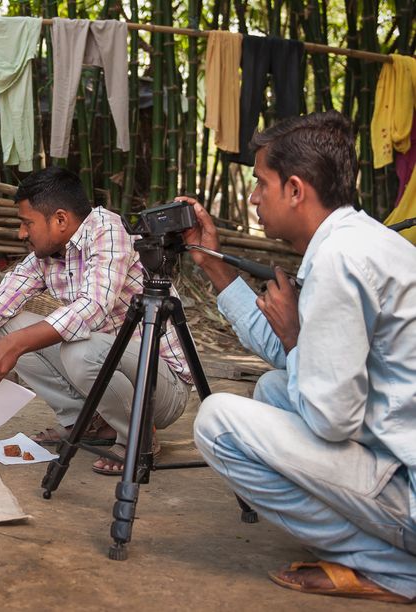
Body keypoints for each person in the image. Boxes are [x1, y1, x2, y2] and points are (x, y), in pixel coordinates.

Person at [183, 111, 415, 603]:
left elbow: (331, 421)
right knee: (271, 388)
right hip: (399, 452)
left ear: (294, 189)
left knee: (217, 421)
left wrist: (294, 342)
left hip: (410, 488)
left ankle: (394, 567)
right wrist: (212, 263)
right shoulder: (358, 241)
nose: (252, 199)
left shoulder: (339, 261)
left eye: (260, 184)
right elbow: (297, 362)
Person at [0, 166, 193, 475]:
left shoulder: (109, 230)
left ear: (60, 219)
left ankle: (138, 434)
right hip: (110, 364)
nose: (21, 233)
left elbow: (93, 306)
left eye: (27, 223)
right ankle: (89, 421)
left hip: (162, 387)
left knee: (76, 350)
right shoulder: (45, 256)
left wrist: (14, 346)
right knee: (5, 328)